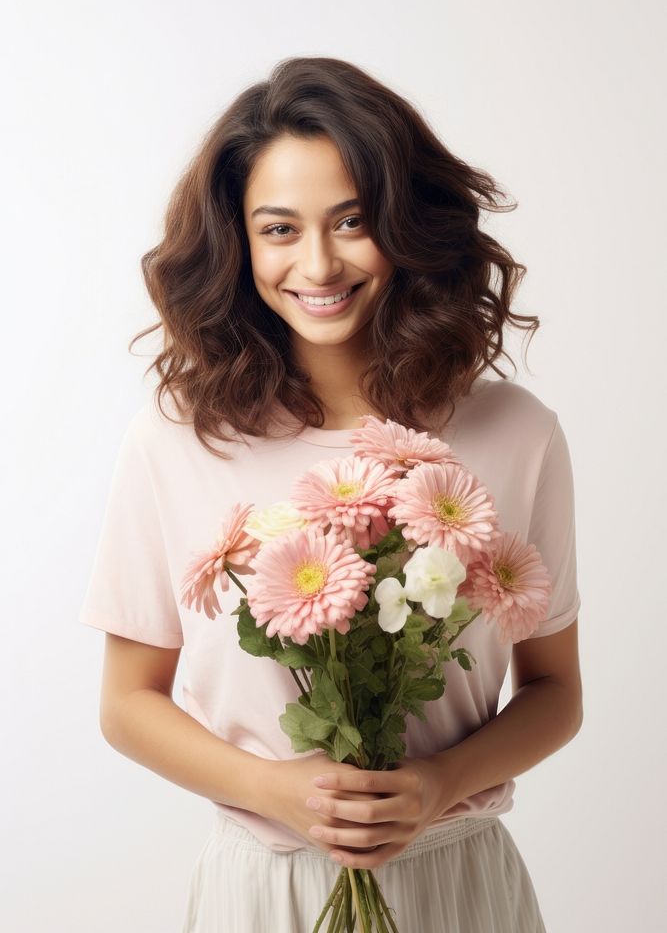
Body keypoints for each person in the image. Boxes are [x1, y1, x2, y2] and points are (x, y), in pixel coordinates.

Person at [78, 55, 583, 932]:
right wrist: (272, 789)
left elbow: (555, 691)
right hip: (263, 889)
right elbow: (127, 703)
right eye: (278, 229)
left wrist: (436, 786)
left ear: (405, 223)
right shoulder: (175, 439)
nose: (317, 263)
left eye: (352, 221)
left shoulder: (515, 432)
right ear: (237, 242)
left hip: (455, 881)